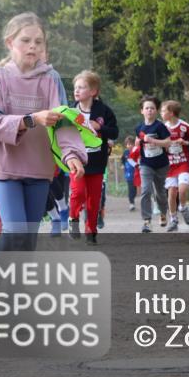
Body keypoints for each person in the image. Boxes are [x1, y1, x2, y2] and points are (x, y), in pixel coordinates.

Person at [0, 12, 86, 252]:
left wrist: (72, 155)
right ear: (10, 43)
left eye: (38, 41)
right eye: (26, 40)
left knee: (27, 243)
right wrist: (31, 119)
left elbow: (63, 122)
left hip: (40, 169)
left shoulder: (51, 79)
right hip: (6, 168)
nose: (33, 46)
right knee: (15, 234)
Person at [67, 70, 118, 245]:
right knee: (78, 193)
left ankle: (91, 231)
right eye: (76, 87)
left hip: (97, 162)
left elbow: (114, 132)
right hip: (76, 161)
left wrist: (99, 128)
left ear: (93, 91)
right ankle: (73, 218)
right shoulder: (70, 111)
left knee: (93, 199)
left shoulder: (104, 111)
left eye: (81, 87)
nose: (77, 90)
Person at [135, 95, 171, 233]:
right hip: (146, 163)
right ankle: (147, 221)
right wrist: (139, 142)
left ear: (156, 111)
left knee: (160, 192)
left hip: (161, 164)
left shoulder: (160, 126)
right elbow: (139, 141)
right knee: (145, 190)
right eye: (147, 108)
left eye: (152, 108)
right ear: (142, 111)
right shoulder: (139, 128)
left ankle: (163, 213)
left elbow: (168, 142)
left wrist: (153, 141)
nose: (149, 110)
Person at [161, 100, 189, 231]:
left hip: (183, 162)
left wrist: (185, 142)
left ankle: (183, 207)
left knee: (182, 189)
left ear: (171, 113)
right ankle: (173, 219)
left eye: (163, 111)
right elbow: (160, 144)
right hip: (169, 165)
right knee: (172, 192)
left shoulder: (184, 126)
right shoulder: (163, 128)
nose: (161, 113)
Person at [122, 136, 138, 211]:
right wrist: (122, 165)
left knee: (134, 190)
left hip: (136, 173)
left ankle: (133, 199)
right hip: (128, 174)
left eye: (131, 144)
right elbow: (122, 159)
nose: (129, 145)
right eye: (128, 144)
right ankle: (131, 203)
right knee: (130, 188)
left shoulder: (136, 151)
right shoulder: (125, 152)